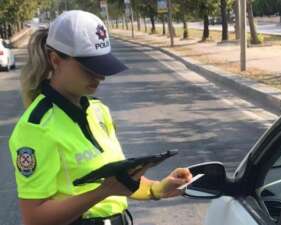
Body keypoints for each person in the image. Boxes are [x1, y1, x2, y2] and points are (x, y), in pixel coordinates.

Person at [9, 10, 192, 225]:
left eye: (102, 66)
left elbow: (117, 181)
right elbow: (35, 219)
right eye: (89, 68)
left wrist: (157, 188)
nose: (101, 76)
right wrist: (104, 191)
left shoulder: (97, 110)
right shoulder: (36, 128)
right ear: (55, 60)